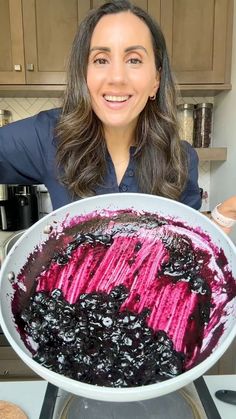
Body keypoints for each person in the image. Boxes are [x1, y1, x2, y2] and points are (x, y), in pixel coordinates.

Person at [0, 0, 235, 233]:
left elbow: (185, 249)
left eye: (134, 60)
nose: (117, 78)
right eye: (101, 60)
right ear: (84, 75)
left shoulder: (180, 159)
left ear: (156, 80)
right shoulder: (49, 135)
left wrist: (223, 219)